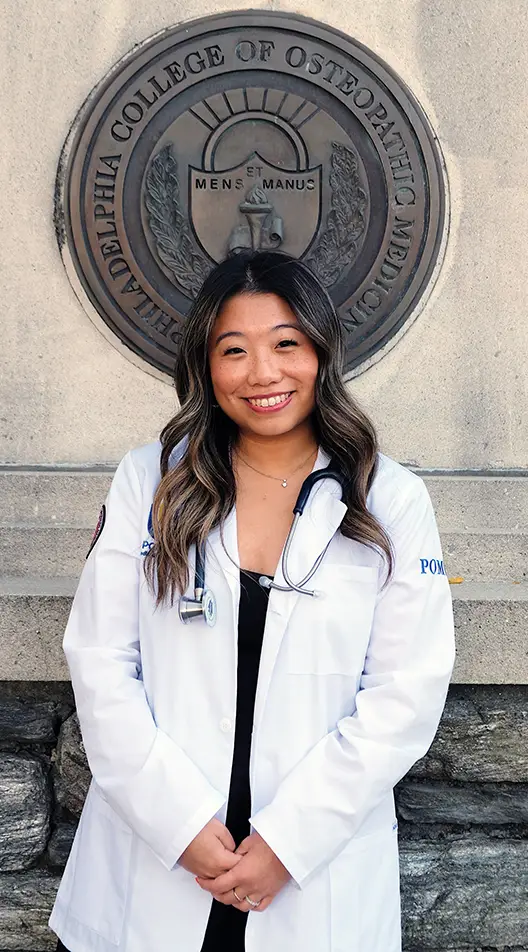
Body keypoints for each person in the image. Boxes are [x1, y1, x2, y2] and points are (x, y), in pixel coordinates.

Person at [50, 250, 455, 952]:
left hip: (309, 878)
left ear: (322, 353)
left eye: (286, 345)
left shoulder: (389, 500)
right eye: (233, 351)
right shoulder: (150, 482)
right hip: (158, 867)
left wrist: (288, 844)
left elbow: (403, 695)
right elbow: (100, 661)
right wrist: (177, 826)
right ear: (205, 366)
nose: (263, 374)